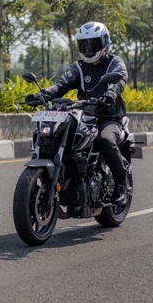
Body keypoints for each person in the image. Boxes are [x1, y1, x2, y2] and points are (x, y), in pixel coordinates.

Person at [26, 21, 129, 205]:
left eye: (93, 44)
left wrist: (110, 94)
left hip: (108, 117)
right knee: (58, 136)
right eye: (85, 44)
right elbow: (61, 85)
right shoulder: (79, 67)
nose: (89, 48)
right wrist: (42, 95)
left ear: (104, 43)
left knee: (105, 139)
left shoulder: (114, 62)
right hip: (84, 116)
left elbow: (119, 81)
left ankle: (121, 184)